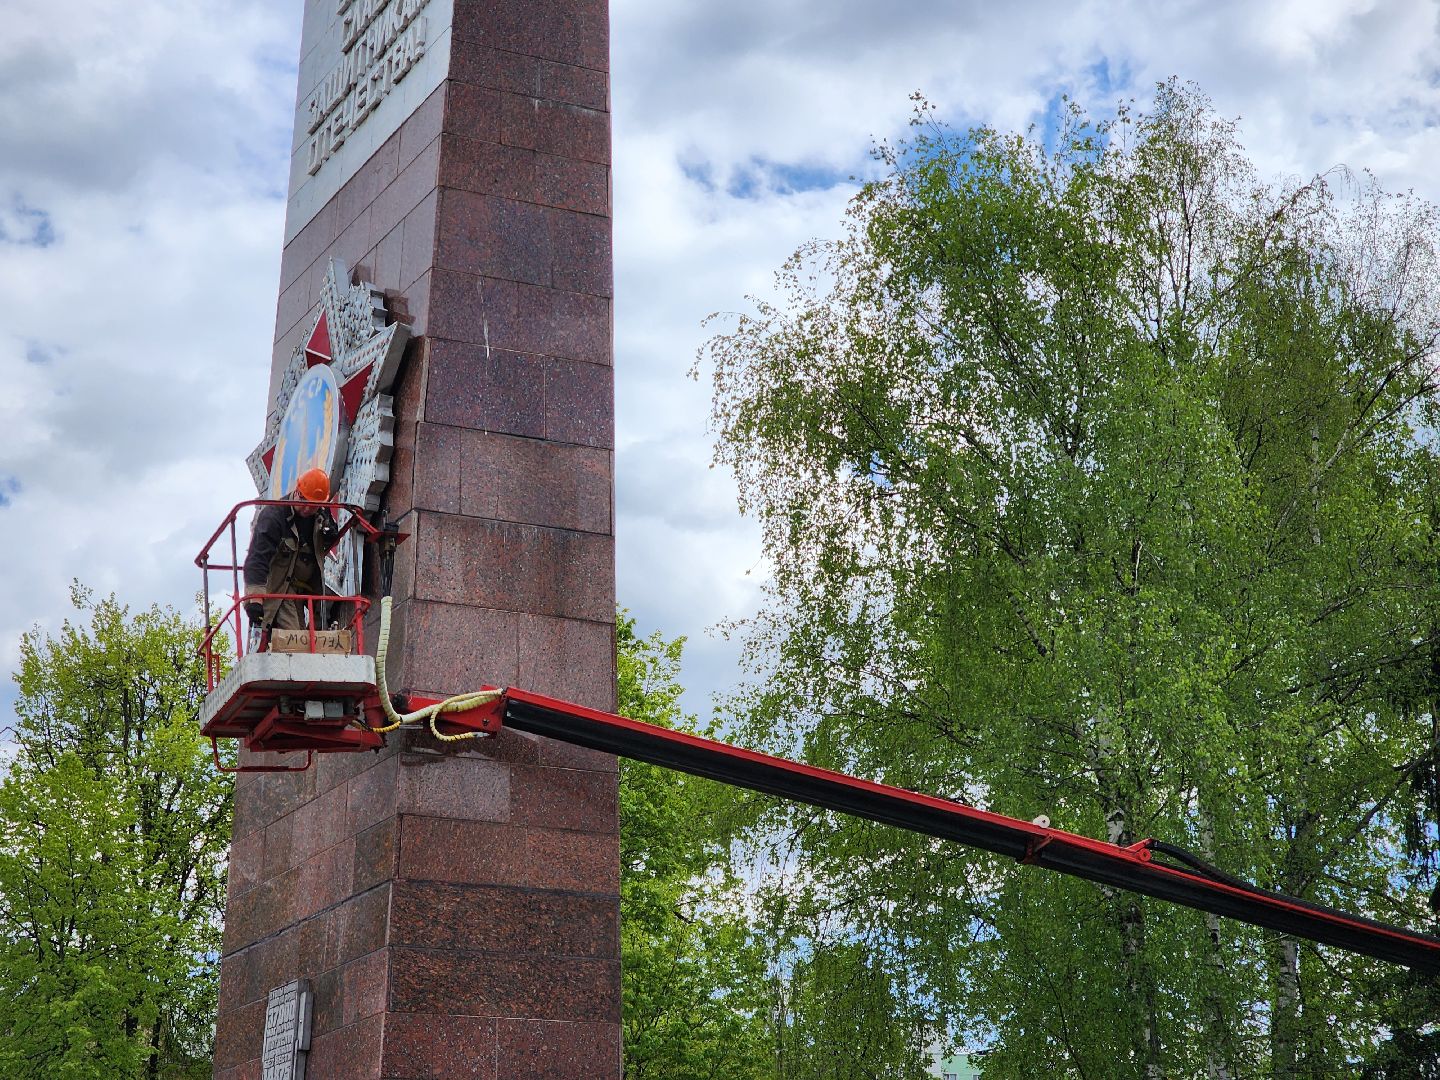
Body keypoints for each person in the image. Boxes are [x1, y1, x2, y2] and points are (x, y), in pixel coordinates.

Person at [243, 467, 340, 635]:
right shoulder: (274, 517)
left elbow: (327, 538)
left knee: (308, 638)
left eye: (314, 506)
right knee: (294, 637)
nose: (308, 510)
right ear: (297, 492)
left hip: (304, 592)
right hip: (280, 590)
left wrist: (331, 532)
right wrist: (255, 600)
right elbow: (257, 560)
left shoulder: (320, 516)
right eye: (305, 503)